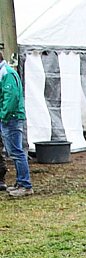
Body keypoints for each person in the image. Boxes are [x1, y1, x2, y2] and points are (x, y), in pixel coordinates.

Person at [0, 50, 33, 198]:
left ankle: (25, 185)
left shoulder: (6, 74)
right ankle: (20, 183)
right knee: (15, 152)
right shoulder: (6, 72)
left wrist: (3, 116)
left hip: (11, 118)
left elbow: (10, 98)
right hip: (10, 117)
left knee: (16, 152)